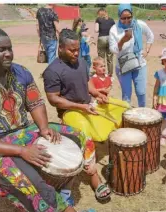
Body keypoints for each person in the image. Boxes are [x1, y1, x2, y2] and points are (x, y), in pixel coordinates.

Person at [0, 26, 96, 212]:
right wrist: (21, 151)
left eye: (9, 48)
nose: (8, 54)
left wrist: (44, 128)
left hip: (26, 132)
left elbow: (35, 103)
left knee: (79, 137)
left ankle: (65, 186)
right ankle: (61, 207)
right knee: (32, 183)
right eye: (1, 49)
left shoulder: (21, 73)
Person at [42, 28, 130, 200]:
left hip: (87, 104)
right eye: (71, 50)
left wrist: (97, 94)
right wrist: (81, 107)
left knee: (123, 108)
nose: (76, 53)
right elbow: (54, 99)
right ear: (60, 48)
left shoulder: (82, 61)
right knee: (85, 135)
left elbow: (87, 81)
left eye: (77, 49)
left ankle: (121, 154)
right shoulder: (52, 71)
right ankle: (94, 178)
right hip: (70, 111)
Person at [109, 4, 154, 107]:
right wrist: (122, 40)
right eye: (123, 18)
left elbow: (150, 36)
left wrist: (147, 50)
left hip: (140, 63)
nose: (126, 20)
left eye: (129, 17)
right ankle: (127, 118)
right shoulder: (114, 29)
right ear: (119, 17)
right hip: (123, 66)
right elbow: (113, 50)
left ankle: (142, 114)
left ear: (132, 15)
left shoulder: (139, 24)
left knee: (141, 92)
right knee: (126, 95)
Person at [95, 8, 115, 76]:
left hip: (101, 38)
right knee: (110, 58)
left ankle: (102, 73)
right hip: (110, 38)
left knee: (101, 57)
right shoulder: (111, 20)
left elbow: (96, 30)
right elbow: (114, 30)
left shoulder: (98, 19)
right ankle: (110, 74)